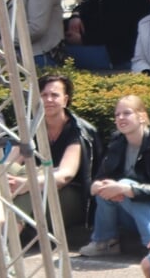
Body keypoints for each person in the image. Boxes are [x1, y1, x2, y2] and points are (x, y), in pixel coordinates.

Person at [79, 94, 150, 257]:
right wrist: (96, 186)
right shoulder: (117, 141)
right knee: (105, 189)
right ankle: (106, 242)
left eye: (127, 113)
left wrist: (124, 188)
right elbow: (102, 176)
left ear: (142, 116)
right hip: (128, 213)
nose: (121, 118)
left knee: (126, 185)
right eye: (117, 115)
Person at [37, 74, 98, 228]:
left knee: (30, 194)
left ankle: (3, 242)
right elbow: (9, 163)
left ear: (65, 100)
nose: (48, 100)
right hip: (41, 187)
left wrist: (26, 183)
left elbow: (65, 175)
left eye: (54, 95)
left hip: (73, 194)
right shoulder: (32, 127)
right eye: (44, 95)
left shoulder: (78, 130)